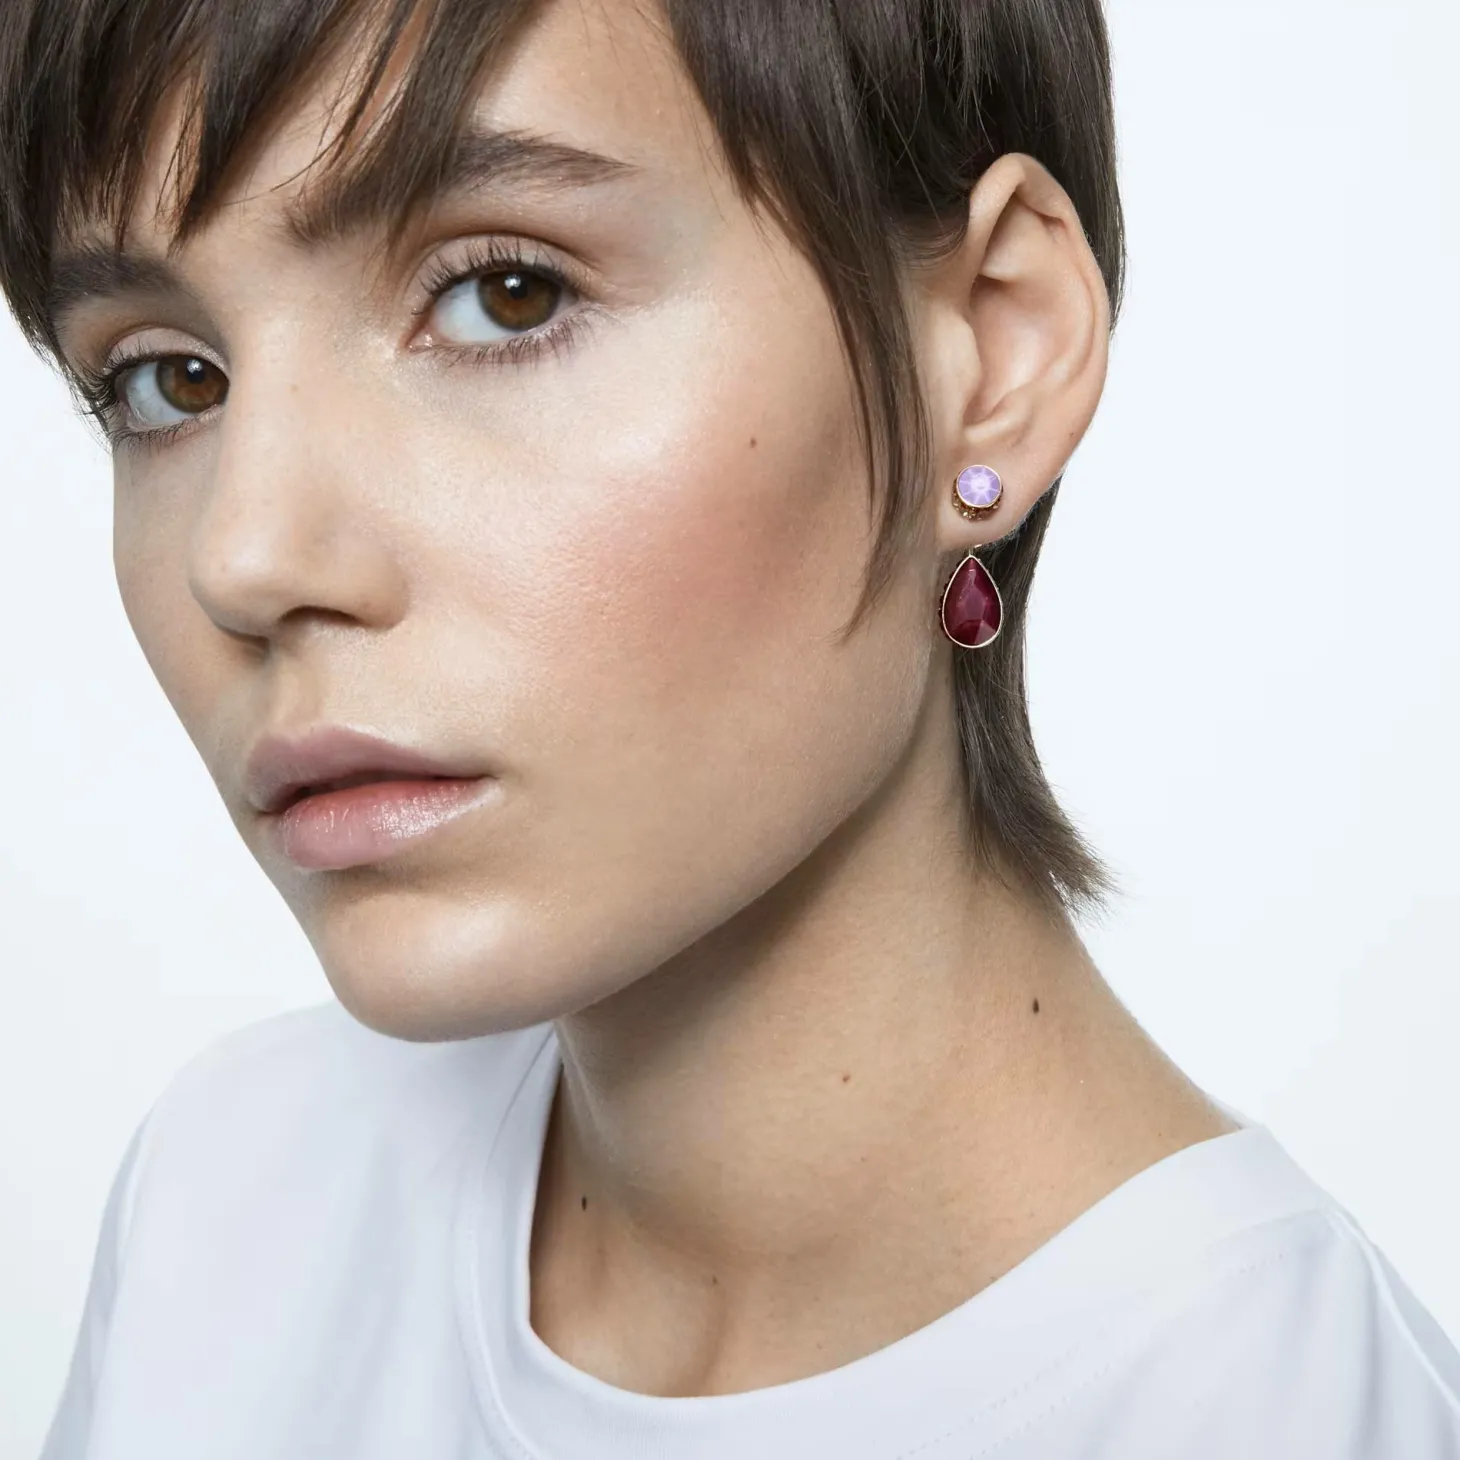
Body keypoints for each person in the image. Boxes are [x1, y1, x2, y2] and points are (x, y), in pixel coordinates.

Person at [4, 0, 1458, 1455]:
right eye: (167, 379)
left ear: (993, 356)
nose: (246, 558)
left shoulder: (1284, 1415)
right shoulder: (229, 1209)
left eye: (507, 295)